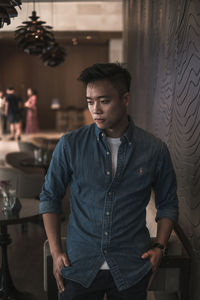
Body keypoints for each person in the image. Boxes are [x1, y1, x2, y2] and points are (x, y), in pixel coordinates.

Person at [40, 63, 178, 300]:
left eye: (104, 101)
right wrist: (55, 251)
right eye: (90, 101)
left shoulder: (154, 149)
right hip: (79, 265)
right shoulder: (70, 144)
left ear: (125, 99)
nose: (96, 110)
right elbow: (49, 197)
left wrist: (160, 247)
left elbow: (168, 204)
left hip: (132, 266)